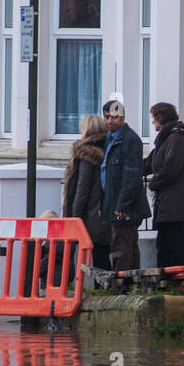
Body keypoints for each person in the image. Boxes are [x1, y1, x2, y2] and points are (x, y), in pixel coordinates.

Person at [98, 92, 150, 272]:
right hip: (114, 201)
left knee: (121, 247)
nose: (109, 121)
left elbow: (131, 176)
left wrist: (122, 205)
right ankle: (131, 284)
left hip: (124, 205)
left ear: (122, 117)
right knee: (128, 245)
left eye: (114, 117)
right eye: (106, 117)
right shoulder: (110, 139)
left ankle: (122, 286)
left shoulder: (129, 140)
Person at [143, 101, 184, 270]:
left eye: (153, 118)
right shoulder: (165, 139)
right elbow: (150, 163)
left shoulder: (176, 139)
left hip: (175, 203)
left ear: (161, 118)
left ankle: (176, 281)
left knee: (173, 245)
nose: (152, 122)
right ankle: (166, 280)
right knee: (164, 244)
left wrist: (153, 183)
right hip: (167, 203)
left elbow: (171, 168)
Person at [62, 113, 112, 271]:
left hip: (91, 213)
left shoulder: (87, 155)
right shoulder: (108, 150)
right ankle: (106, 289)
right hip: (103, 210)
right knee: (102, 254)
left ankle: (101, 290)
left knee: (98, 256)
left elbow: (82, 189)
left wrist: (74, 217)